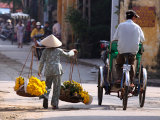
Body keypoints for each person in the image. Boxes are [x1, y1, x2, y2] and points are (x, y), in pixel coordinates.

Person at [38, 35, 78, 109]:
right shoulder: (58, 50)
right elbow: (68, 55)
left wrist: (39, 71)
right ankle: (54, 104)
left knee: (47, 86)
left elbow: (41, 62)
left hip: (48, 70)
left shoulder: (45, 51)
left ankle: (45, 96)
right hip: (57, 70)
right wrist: (72, 51)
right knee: (57, 87)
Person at [112, 10, 145, 87]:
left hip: (122, 50)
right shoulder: (137, 27)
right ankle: (131, 82)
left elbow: (115, 38)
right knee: (131, 64)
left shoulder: (120, 25)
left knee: (119, 64)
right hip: (133, 51)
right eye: (135, 17)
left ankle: (120, 78)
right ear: (133, 17)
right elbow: (142, 39)